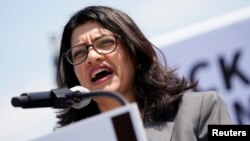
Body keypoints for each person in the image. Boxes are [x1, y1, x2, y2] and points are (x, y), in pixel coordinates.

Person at [56, 5, 232, 141]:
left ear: (134, 53)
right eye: (79, 53)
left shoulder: (203, 107)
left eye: (104, 43)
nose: (92, 57)